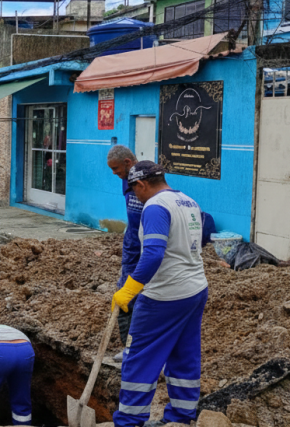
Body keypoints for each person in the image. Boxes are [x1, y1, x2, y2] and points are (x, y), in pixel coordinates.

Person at [112, 161, 208, 427]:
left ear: (141, 185)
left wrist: (129, 289)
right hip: (195, 289)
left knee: (140, 357)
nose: (135, 197)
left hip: (164, 295)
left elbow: (154, 252)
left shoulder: (154, 207)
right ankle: (182, 416)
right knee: (184, 354)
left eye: (134, 191)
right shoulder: (188, 201)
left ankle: (129, 421)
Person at [106, 146, 143, 362]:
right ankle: (130, 347)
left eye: (116, 168)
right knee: (125, 299)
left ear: (128, 163)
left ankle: (138, 348)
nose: (114, 173)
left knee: (139, 300)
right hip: (132, 246)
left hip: (145, 247)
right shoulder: (126, 179)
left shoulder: (144, 181)